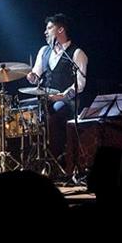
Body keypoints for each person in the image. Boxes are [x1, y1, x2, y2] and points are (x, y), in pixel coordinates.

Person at [26, 13, 88, 159]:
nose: (45, 32)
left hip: (68, 101)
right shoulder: (44, 51)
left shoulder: (77, 53)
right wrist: (32, 77)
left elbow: (80, 83)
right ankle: (37, 155)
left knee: (54, 113)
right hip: (47, 99)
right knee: (29, 113)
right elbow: (36, 76)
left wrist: (62, 96)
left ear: (60, 30)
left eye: (49, 28)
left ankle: (56, 156)